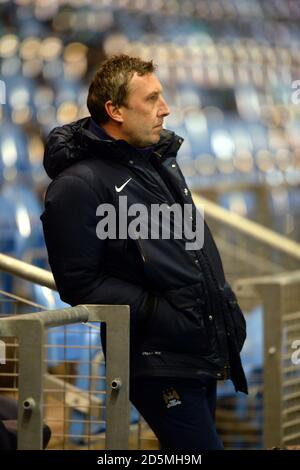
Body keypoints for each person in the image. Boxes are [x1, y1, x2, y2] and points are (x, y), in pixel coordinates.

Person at [41, 54, 247, 450]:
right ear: (114, 110)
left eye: (162, 97)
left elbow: (188, 251)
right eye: (151, 99)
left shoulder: (156, 162)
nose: (165, 109)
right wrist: (160, 312)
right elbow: (80, 282)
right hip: (156, 356)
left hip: (196, 346)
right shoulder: (79, 185)